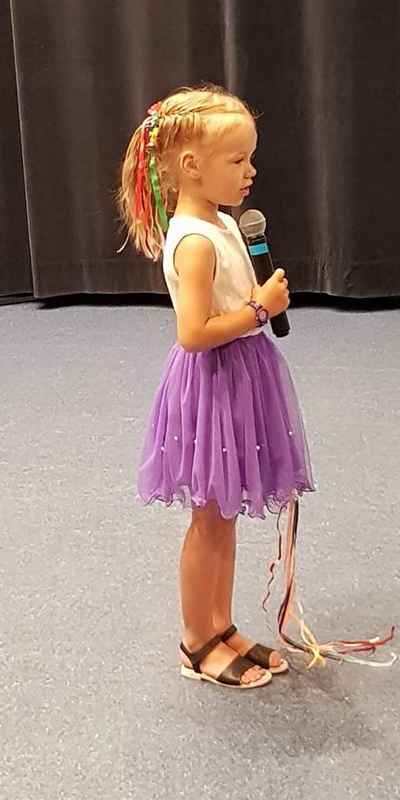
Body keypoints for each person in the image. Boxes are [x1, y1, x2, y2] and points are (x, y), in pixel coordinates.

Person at [117, 84, 316, 689]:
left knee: (224, 514)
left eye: (251, 158)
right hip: (212, 383)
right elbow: (195, 333)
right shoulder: (196, 242)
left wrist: (255, 304)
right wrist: (260, 309)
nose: (250, 171)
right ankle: (195, 639)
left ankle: (221, 625)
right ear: (191, 166)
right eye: (238, 160)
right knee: (209, 519)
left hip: (240, 375)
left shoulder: (225, 222)